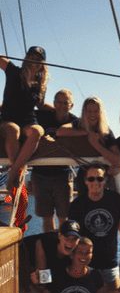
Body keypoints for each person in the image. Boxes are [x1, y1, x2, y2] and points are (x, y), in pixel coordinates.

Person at [68, 163, 120, 289]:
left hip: (110, 263)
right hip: (85, 263)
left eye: (100, 178)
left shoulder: (115, 199)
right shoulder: (77, 204)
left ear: (105, 180)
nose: (95, 182)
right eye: (91, 179)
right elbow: (71, 234)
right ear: (86, 181)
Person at [31, 89, 79, 232]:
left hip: (62, 175)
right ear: (54, 103)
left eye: (66, 102)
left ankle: (63, 247)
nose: (62, 105)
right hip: (40, 174)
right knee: (46, 216)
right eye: (58, 102)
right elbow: (25, 113)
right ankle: (50, 245)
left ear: (71, 105)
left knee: (64, 216)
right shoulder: (42, 116)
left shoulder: (75, 121)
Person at [0, 46, 49, 188]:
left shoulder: (40, 84)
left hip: (28, 120)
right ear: (26, 58)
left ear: (42, 64)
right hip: (8, 118)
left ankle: (13, 173)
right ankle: (15, 177)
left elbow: (40, 105)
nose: (34, 60)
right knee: (13, 129)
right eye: (31, 57)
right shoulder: (14, 71)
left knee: (37, 131)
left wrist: (61, 108)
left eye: (38, 59)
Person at [22, 220, 81, 293]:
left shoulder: (75, 254)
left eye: (74, 239)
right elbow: (42, 280)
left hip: (43, 268)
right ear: (59, 236)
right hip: (22, 254)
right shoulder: (47, 242)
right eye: (67, 237)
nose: (70, 242)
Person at [35, 237, 108, 293]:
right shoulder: (56, 274)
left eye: (88, 252)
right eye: (80, 252)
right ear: (71, 255)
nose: (84, 256)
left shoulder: (96, 275)